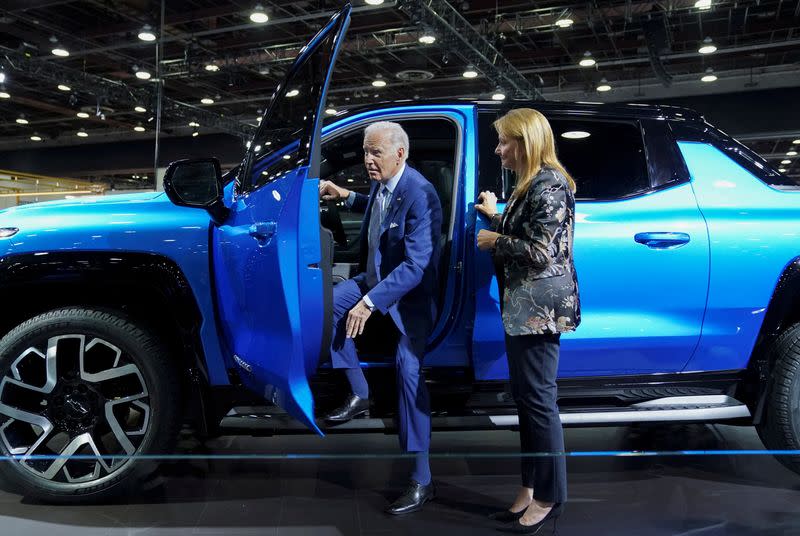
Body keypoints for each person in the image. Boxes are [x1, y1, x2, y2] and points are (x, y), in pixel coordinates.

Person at [318, 121, 443, 515]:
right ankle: (359, 391)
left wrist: (369, 302)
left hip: (411, 298)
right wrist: (346, 194)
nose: (367, 160)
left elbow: (416, 264)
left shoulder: (421, 194)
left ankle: (421, 479)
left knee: (408, 370)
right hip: (374, 278)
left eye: (375, 153)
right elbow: (376, 206)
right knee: (330, 306)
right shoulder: (384, 183)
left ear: (399, 154)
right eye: (365, 152)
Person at [475, 108, 581, 534]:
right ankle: (530, 487)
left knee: (539, 403)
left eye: (504, 142)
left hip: (540, 310)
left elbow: (543, 252)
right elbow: (532, 232)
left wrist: (495, 238)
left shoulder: (551, 185)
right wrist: (495, 215)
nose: (498, 149)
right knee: (528, 401)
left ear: (525, 141)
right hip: (524, 309)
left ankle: (551, 496)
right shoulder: (531, 185)